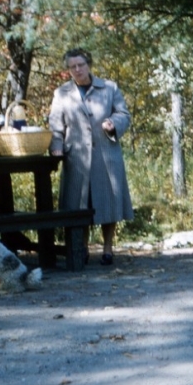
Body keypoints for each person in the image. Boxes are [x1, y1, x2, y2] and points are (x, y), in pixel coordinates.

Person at [48, 48, 134, 265]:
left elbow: (123, 114)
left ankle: (107, 248)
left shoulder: (109, 88)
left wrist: (113, 123)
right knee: (79, 204)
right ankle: (82, 247)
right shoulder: (61, 93)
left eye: (81, 65)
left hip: (106, 155)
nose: (77, 70)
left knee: (109, 203)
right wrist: (56, 147)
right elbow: (56, 126)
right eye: (72, 66)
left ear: (89, 64)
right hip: (76, 158)